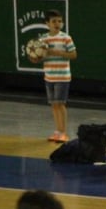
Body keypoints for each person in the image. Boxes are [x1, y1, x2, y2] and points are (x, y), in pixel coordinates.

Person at [28, 9, 77, 144]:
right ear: (47, 23)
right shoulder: (43, 39)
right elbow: (39, 57)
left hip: (62, 76)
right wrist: (35, 58)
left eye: (60, 21)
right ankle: (57, 130)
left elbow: (73, 55)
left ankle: (63, 132)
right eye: (54, 21)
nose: (57, 24)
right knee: (53, 104)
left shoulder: (66, 38)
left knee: (60, 104)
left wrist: (56, 52)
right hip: (49, 76)